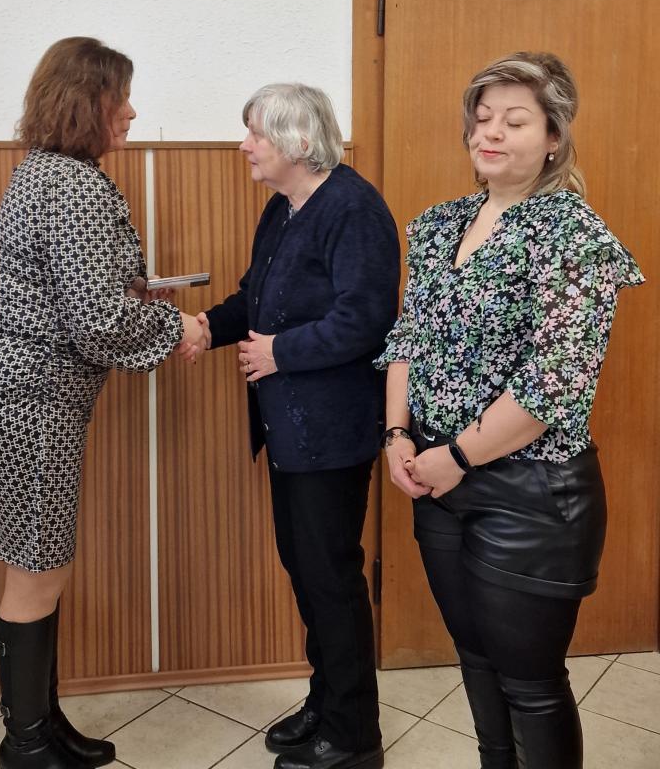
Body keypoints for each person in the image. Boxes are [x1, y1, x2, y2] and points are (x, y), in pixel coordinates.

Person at [376, 52, 644, 769]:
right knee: (475, 658)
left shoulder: (574, 237)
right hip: (435, 477)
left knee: (530, 683)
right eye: (482, 117)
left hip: (530, 494)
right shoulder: (439, 225)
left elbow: (554, 382)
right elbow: (408, 336)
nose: (490, 132)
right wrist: (398, 433)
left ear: (554, 136)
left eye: (515, 121)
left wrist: (457, 456)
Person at [0, 37, 204, 769]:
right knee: (38, 567)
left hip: (21, 393)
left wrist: (134, 294)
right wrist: (178, 327)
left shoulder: (43, 172)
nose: (130, 112)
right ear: (85, 103)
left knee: (39, 561)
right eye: (118, 98)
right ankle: (27, 743)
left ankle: (43, 722)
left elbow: (80, 295)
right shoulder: (73, 185)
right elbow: (96, 322)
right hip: (33, 399)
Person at [186, 83, 400, 769]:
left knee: (330, 575)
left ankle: (355, 734)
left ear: (298, 142)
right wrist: (204, 327)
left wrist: (281, 352)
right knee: (306, 568)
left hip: (331, 429)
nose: (244, 145)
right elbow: (254, 296)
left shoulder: (354, 208)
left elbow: (366, 319)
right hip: (289, 428)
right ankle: (326, 700)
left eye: (255, 134)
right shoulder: (284, 206)